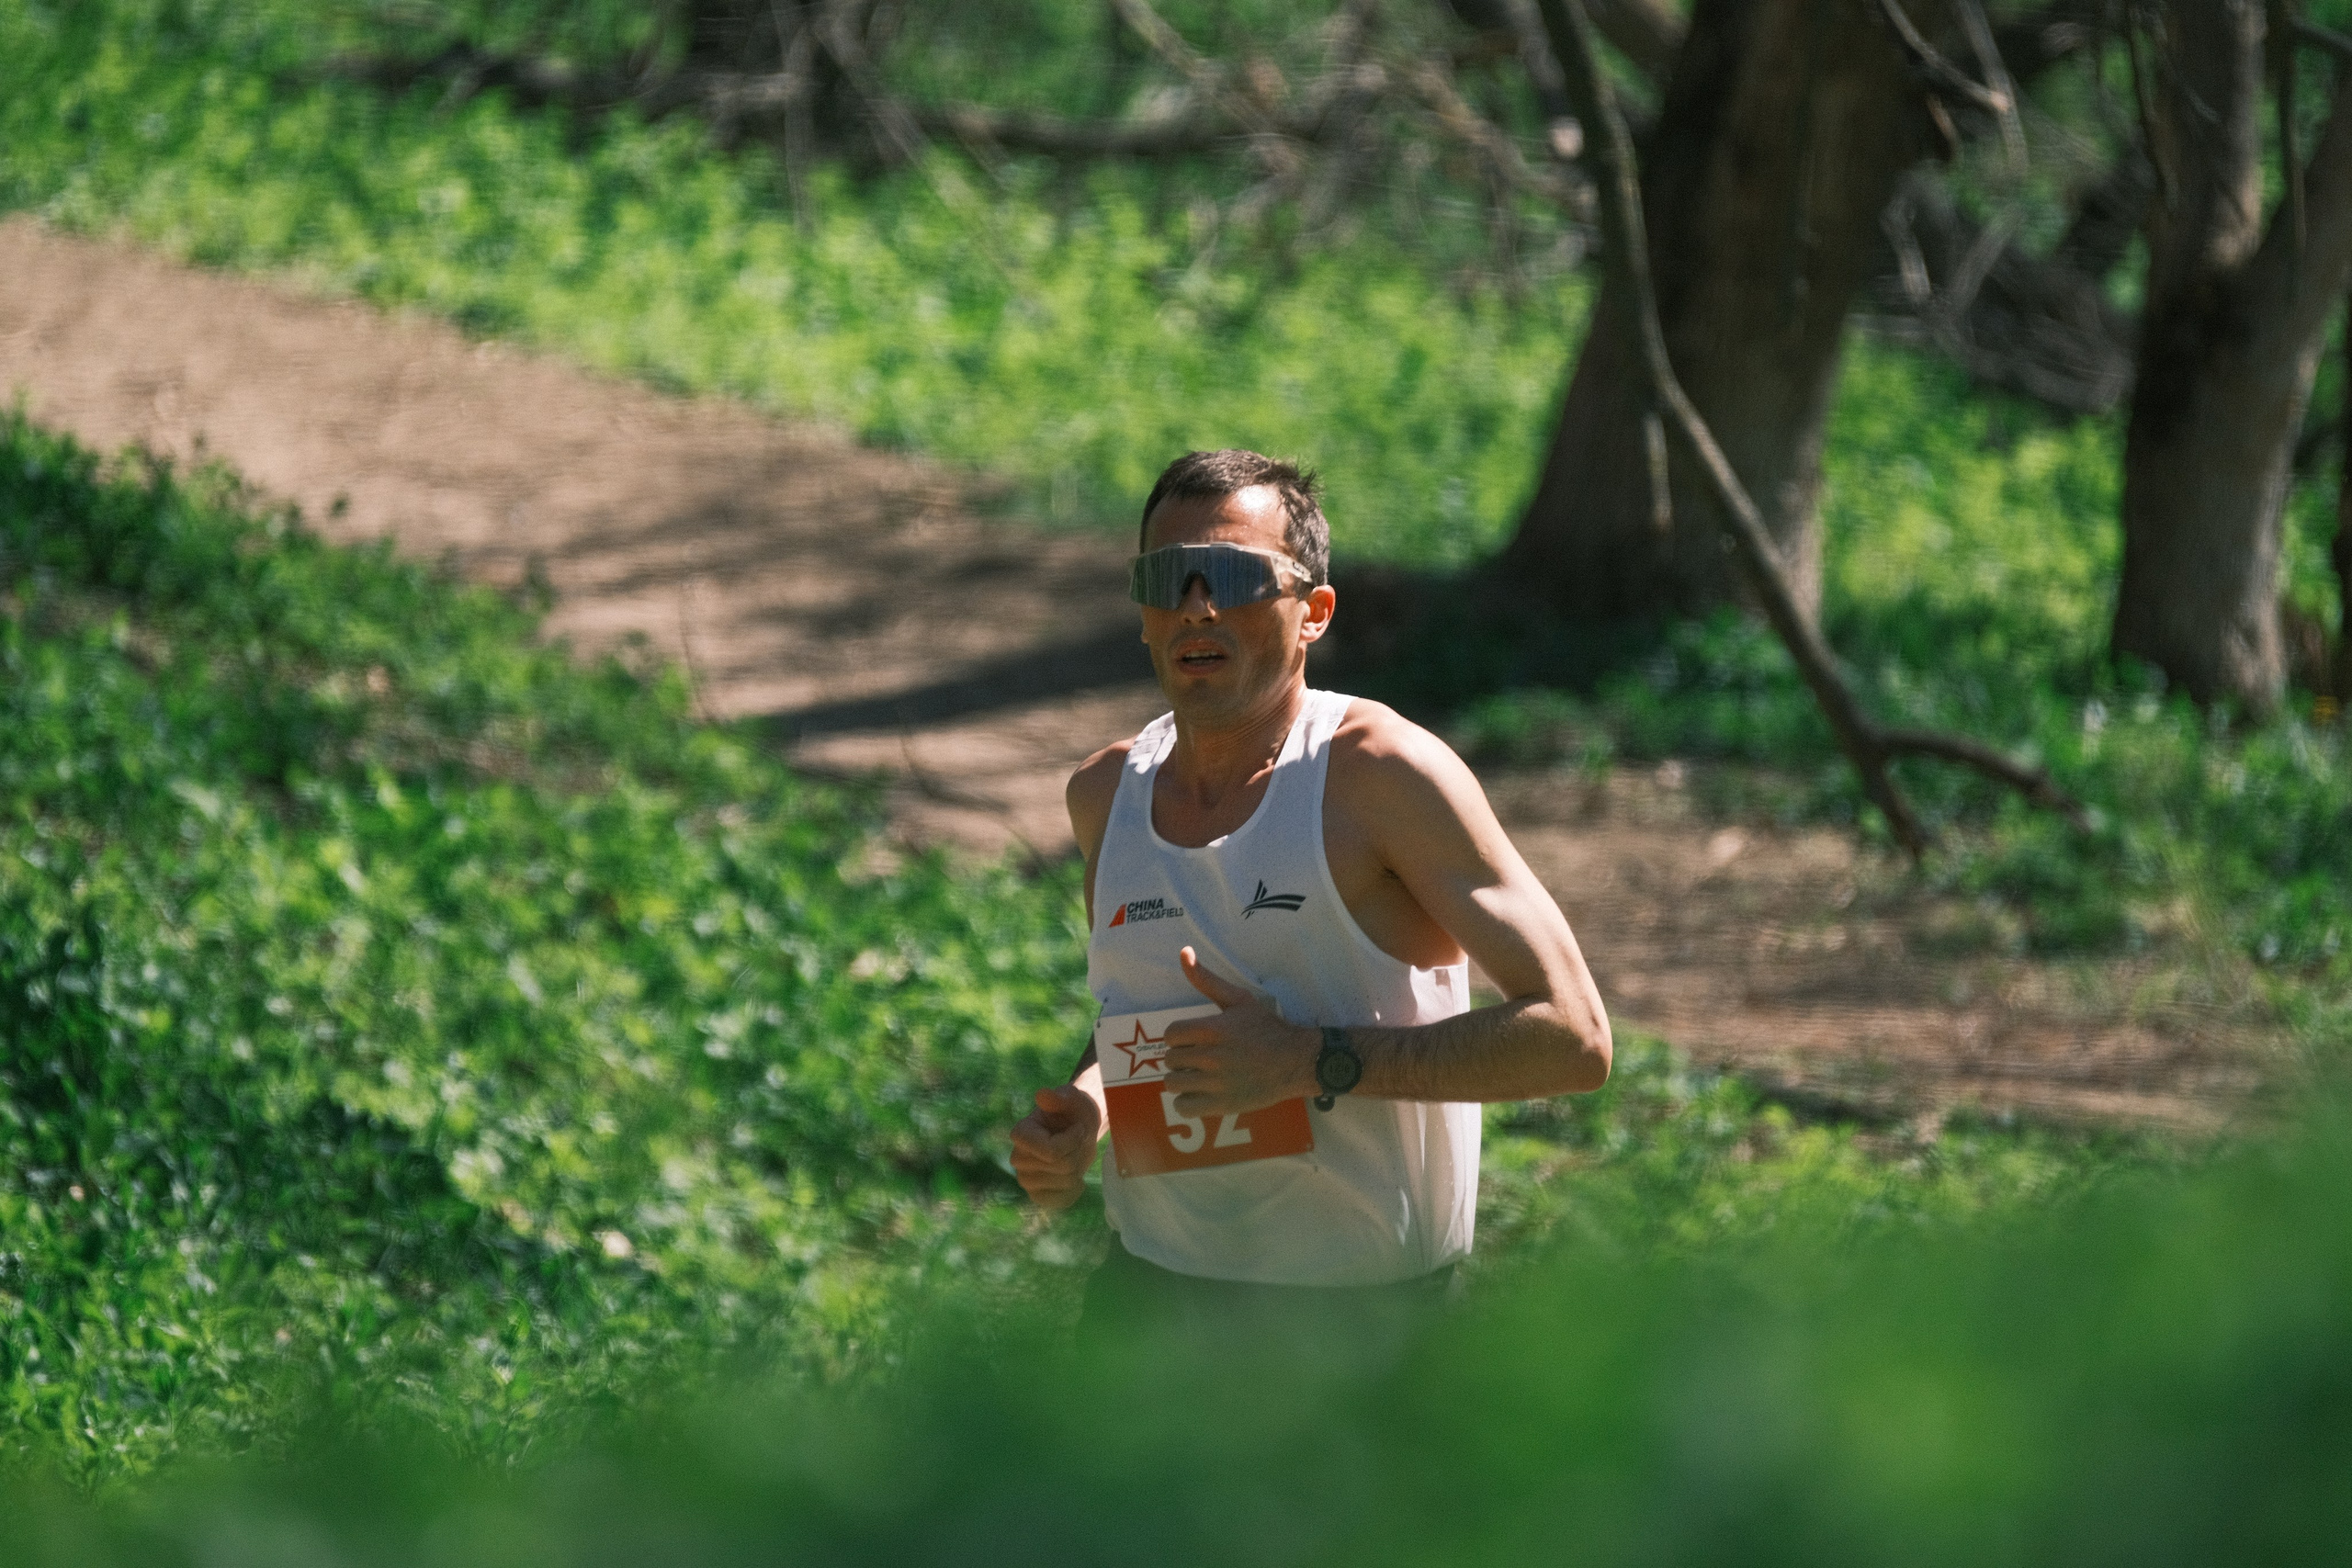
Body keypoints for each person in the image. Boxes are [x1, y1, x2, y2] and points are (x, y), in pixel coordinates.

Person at [1010, 448, 1611, 1341]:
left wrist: (1313, 1061)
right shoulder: (1106, 796)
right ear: (1141, 611)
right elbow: (1145, 1024)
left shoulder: (1377, 775)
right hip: (1147, 1305)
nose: (1198, 605)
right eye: (1168, 577)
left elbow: (1573, 1039)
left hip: (1364, 1328)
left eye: (1236, 577)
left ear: (1313, 613)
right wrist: (1091, 1109)